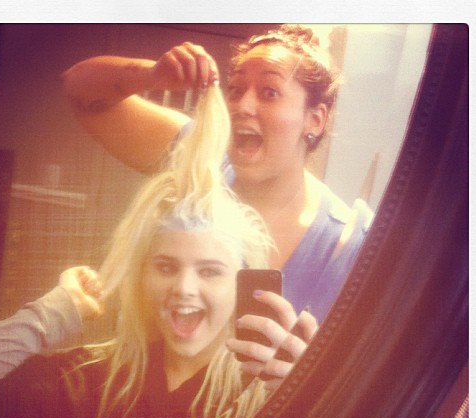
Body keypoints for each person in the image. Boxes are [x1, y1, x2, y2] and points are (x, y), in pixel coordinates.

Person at [0, 84, 315, 418]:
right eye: (165, 267)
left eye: (210, 271)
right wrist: (55, 313)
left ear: (240, 285)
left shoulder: (258, 396)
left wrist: (298, 402)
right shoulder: (92, 380)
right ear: (142, 277)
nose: (183, 288)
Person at [62, 24, 372, 326]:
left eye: (269, 92)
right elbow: (79, 88)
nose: (243, 105)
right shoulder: (199, 157)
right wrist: (151, 75)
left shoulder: (345, 246)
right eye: (236, 90)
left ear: (315, 119)